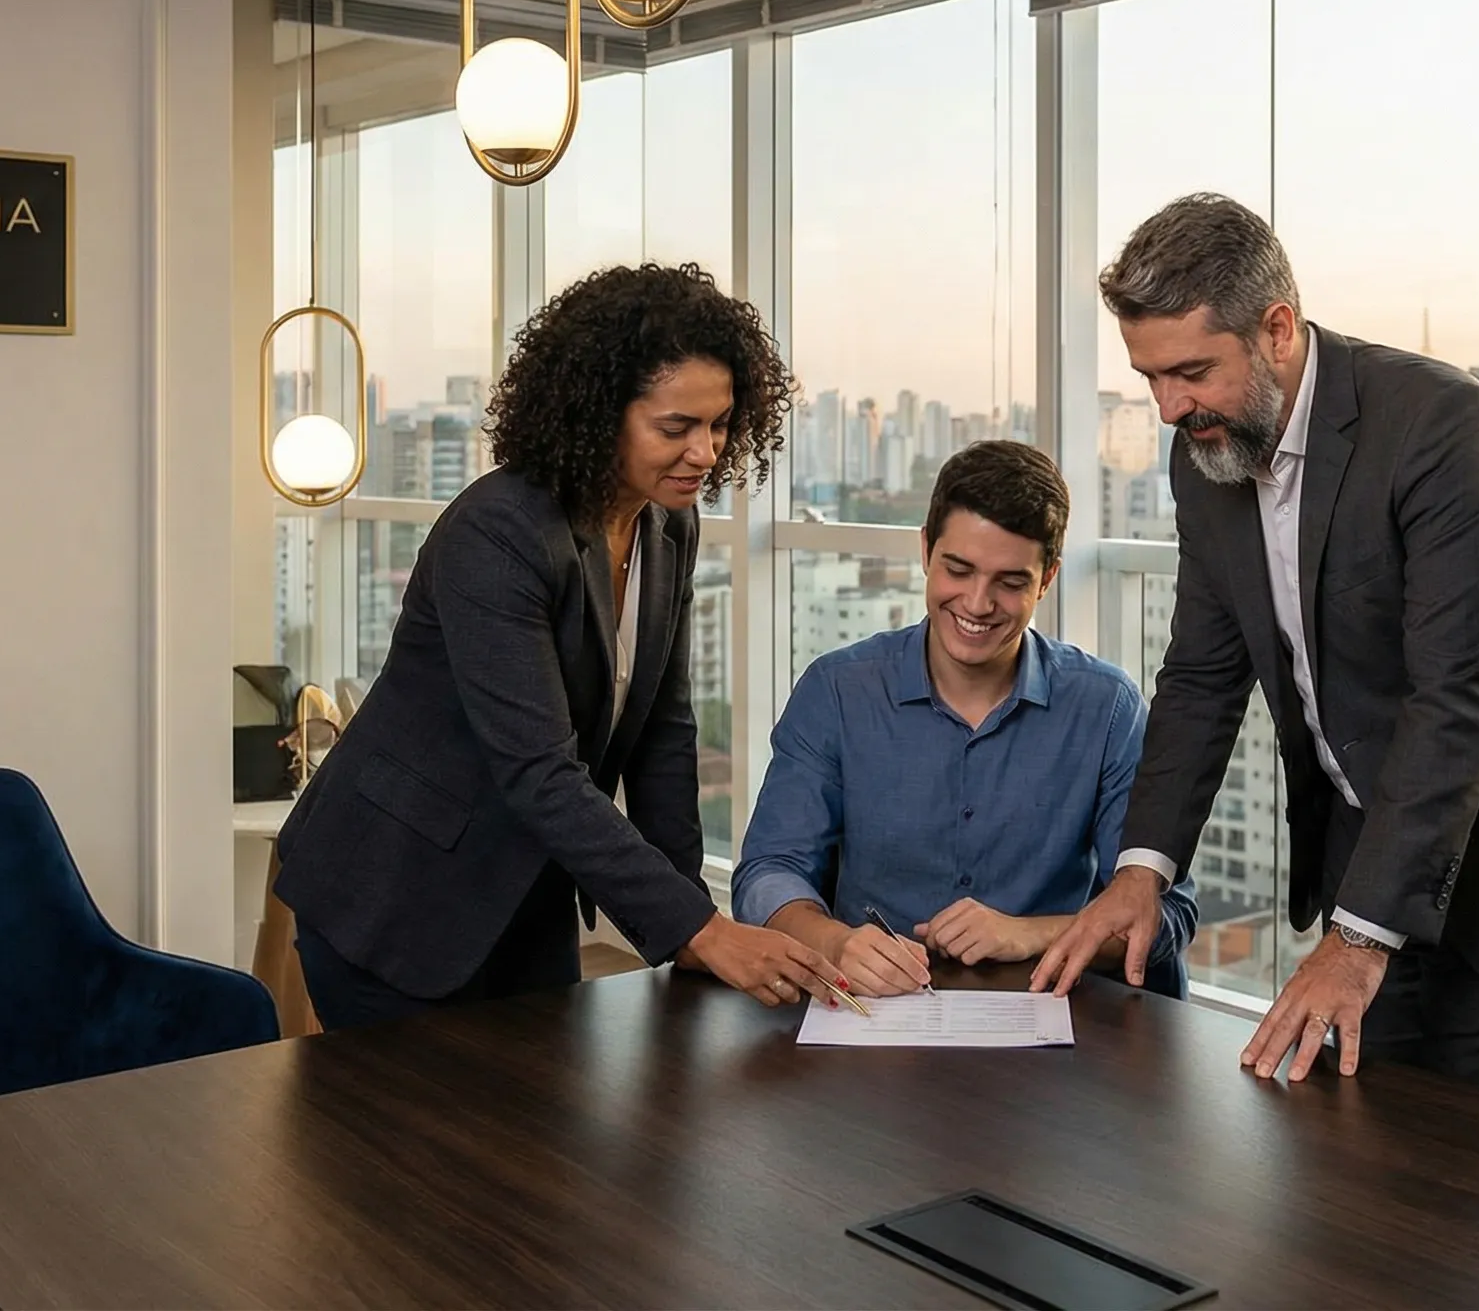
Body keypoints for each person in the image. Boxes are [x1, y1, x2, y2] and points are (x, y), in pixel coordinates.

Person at [1035, 195, 1479, 1084]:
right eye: (1150, 377)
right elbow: (1201, 677)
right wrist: (1142, 868)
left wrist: (1357, 940)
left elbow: (1457, 699)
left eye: (1191, 371)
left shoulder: (1445, 428)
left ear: (1278, 328)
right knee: (1350, 1145)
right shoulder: (1205, 454)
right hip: (1370, 856)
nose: (1169, 407)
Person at [275, 263, 851, 1030]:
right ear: (596, 413)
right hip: (391, 894)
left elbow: (663, 739)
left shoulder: (668, 525)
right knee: (416, 1149)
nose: (706, 451)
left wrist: (684, 929)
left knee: (536, 1139)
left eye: (718, 424)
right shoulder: (499, 531)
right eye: (675, 427)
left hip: (524, 892)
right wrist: (705, 930)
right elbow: (538, 768)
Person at [733, 441, 1198, 998]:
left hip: (1056, 1038)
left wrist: (1030, 935)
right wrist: (834, 942)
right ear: (926, 550)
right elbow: (767, 871)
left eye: (1010, 581)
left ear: (1046, 579)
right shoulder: (836, 690)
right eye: (959, 570)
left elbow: (1166, 912)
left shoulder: (1107, 708)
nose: (978, 604)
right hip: (872, 1025)